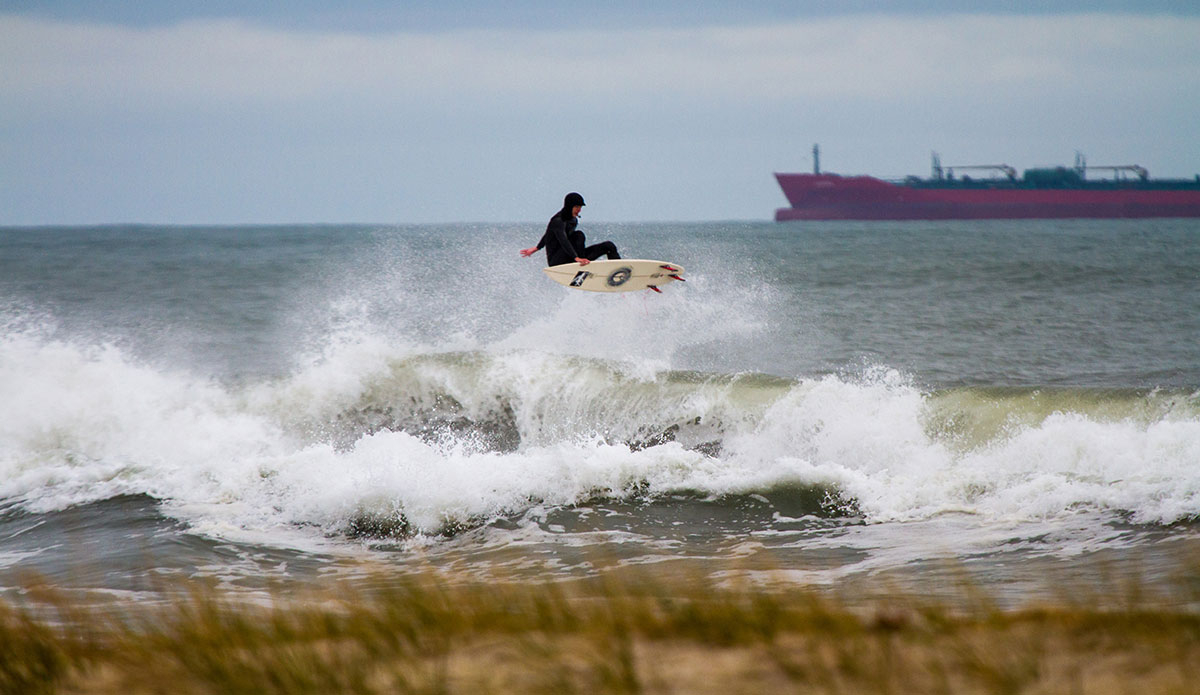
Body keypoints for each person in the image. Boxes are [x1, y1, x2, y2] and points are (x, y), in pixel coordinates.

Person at [520, 192, 621, 266]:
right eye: (577, 207)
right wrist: (575, 257)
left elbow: (548, 234)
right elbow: (562, 239)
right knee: (578, 235)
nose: (579, 210)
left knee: (609, 246)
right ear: (569, 207)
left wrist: (537, 247)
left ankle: (619, 271)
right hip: (558, 261)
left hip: (575, 259)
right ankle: (581, 261)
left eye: (580, 207)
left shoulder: (573, 220)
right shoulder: (558, 220)